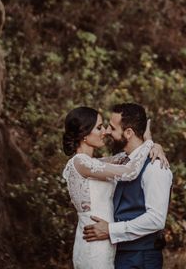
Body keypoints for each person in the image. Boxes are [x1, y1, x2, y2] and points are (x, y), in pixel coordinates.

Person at [62, 106, 168, 269]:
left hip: (109, 242)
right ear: (84, 133)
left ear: (129, 132)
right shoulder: (80, 163)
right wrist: (148, 142)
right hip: (93, 240)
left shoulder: (97, 163)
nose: (105, 132)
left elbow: (128, 157)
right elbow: (130, 170)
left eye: (109, 127)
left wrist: (155, 146)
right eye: (100, 127)